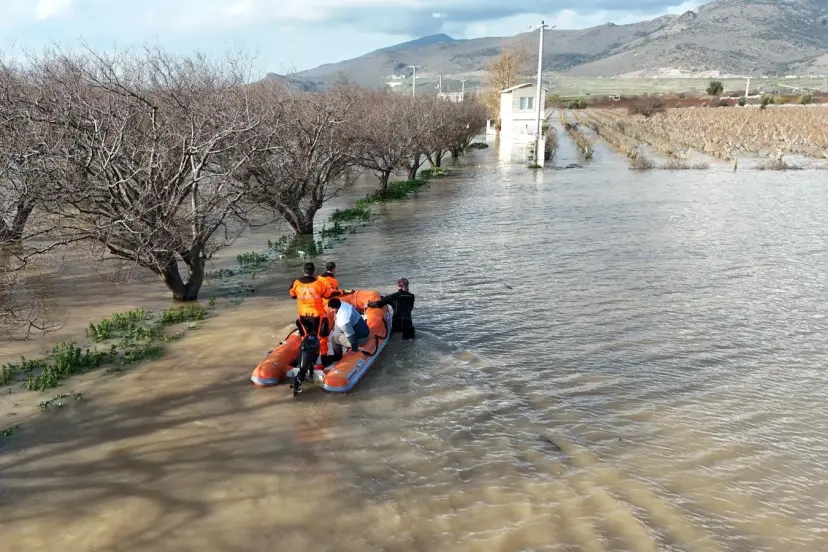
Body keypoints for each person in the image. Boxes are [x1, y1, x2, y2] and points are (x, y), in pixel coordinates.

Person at [289, 262, 333, 337]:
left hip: (302, 314)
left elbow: (293, 296)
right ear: (314, 271)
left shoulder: (296, 283)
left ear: (303, 271)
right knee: (321, 337)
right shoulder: (319, 283)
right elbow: (327, 295)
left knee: (305, 336)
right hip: (317, 314)